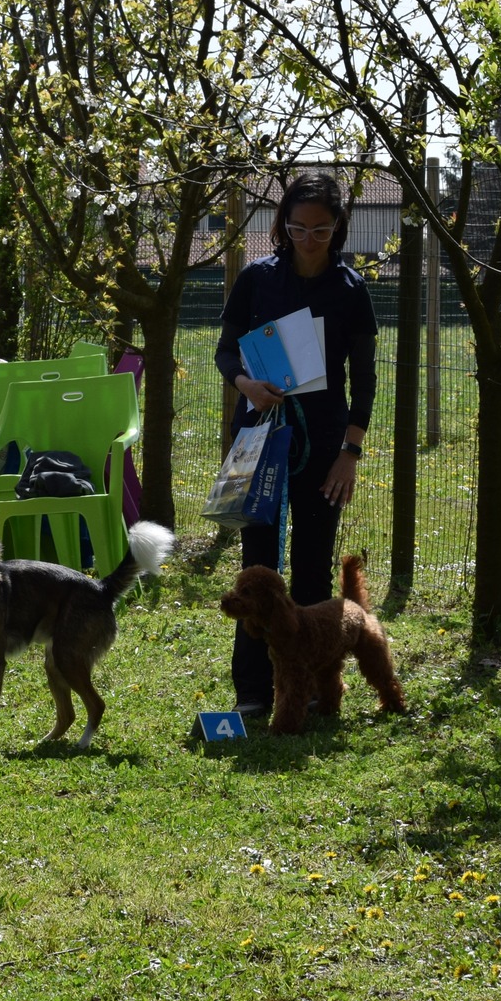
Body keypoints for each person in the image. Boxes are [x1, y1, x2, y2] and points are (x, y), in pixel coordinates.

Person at [215, 171, 377, 717]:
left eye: (321, 230)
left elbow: (365, 379)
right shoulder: (256, 279)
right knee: (256, 570)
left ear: (338, 228)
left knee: (311, 564)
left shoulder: (351, 290)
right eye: (298, 228)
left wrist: (350, 453)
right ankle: (253, 691)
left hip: (325, 444)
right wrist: (245, 385)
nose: (308, 240)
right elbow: (225, 351)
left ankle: (308, 687)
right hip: (261, 437)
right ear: (282, 224)